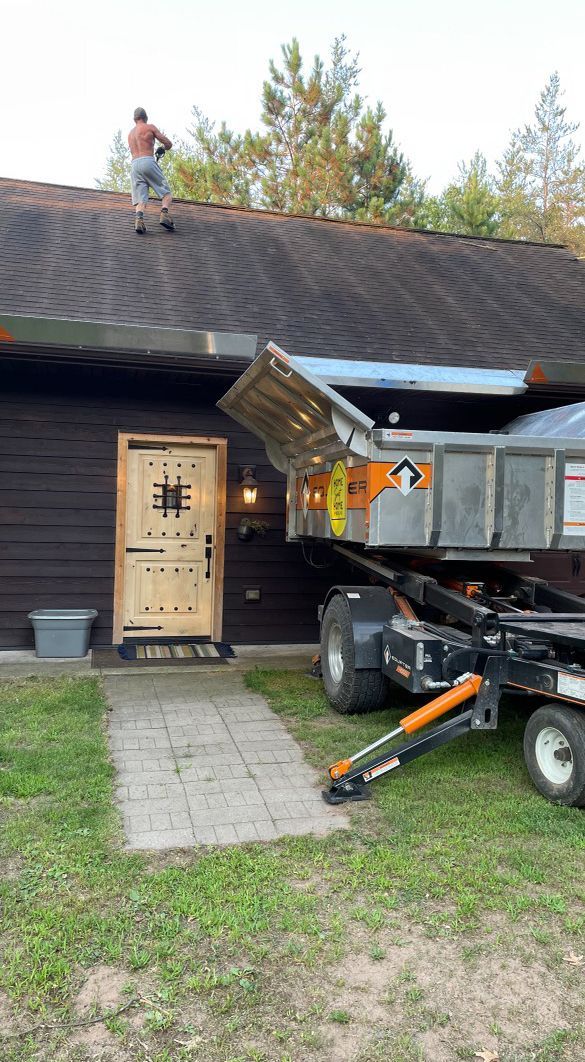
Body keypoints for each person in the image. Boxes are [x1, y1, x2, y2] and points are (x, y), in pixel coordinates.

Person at [128, 108, 174, 235]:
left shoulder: (130, 134)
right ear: (145, 117)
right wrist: (163, 148)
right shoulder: (150, 127)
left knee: (140, 197)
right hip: (147, 160)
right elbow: (168, 144)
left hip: (134, 165)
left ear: (134, 119)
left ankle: (139, 220)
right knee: (166, 193)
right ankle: (164, 215)